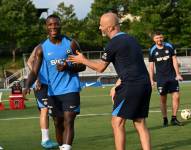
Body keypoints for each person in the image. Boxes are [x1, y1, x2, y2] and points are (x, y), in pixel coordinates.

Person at [68, 12, 152, 150]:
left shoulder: (113, 43)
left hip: (131, 85)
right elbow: (132, 66)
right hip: (144, 84)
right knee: (139, 121)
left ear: (110, 27)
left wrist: (82, 60)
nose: (100, 28)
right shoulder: (132, 39)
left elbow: (100, 67)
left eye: (101, 25)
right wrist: (117, 85)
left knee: (117, 122)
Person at [23, 14, 86, 150]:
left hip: (71, 88)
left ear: (60, 25)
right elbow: (34, 71)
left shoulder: (71, 43)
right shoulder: (42, 48)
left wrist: (67, 66)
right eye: (50, 25)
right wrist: (27, 85)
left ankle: (66, 148)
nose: (53, 27)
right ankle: (61, 146)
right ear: (46, 27)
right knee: (58, 123)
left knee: (69, 121)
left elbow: (83, 65)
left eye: (56, 24)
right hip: (53, 92)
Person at [148, 31, 183, 127]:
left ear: (163, 38)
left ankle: (174, 118)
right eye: (157, 38)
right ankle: (165, 119)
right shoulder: (152, 50)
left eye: (160, 37)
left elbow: (175, 60)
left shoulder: (169, 46)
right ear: (154, 39)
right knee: (163, 99)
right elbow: (151, 66)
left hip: (172, 76)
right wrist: (151, 79)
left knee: (176, 96)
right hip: (161, 78)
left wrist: (178, 74)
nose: (159, 39)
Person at [27, 47, 58, 149]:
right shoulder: (40, 47)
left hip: (53, 84)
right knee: (44, 110)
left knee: (52, 111)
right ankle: (45, 140)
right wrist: (36, 78)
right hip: (41, 84)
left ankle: (49, 138)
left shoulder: (59, 47)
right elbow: (29, 61)